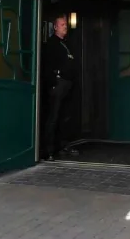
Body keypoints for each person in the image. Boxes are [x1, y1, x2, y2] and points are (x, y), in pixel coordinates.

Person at [41, 15, 78, 161]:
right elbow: (47, 66)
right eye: (62, 25)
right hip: (58, 84)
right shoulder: (51, 44)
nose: (65, 27)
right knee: (53, 117)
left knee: (65, 116)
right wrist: (53, 83)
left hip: (68, 84)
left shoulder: (67, 43)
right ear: (55, 27)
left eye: (66, 25)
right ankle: (48, 150)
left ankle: (62, 145)